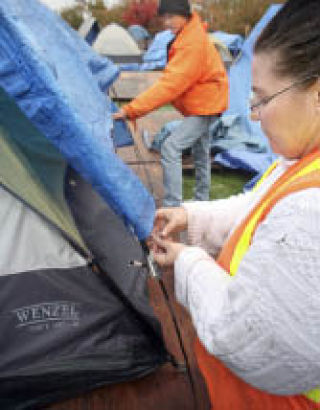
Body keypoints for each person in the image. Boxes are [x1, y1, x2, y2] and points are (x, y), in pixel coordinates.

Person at [151, 0, 320, 408]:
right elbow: (263, 207)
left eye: (261, 98)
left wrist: (188, 262)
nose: (252, 114)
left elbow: (248, 337)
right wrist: (193, 217)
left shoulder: (311, 212)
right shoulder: (303, 161)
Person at [113, 0, 228, 207]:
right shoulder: (188, 34)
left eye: (171, 16)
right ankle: (202, 202)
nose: (167, 22)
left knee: (170, 147)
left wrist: (131, 110)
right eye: (164, 17)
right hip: (206, 103)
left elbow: (170, 85)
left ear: (184, 15)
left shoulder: (191, 43)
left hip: (206, 106)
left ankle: (173, 205)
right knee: (201, 153)